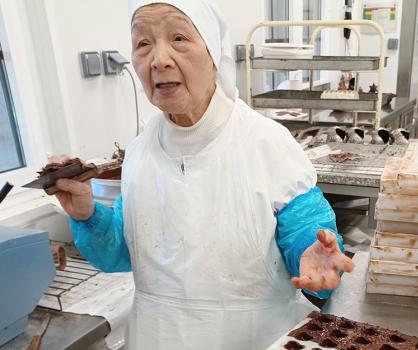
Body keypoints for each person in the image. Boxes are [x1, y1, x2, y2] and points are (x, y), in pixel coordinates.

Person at [52, 0, 354, 349]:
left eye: (179, 38)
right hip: (157, 336)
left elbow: (305, 228)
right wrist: (87, 215)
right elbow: (123, 251)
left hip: (255, 338)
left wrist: (312, 251)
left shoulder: (265, 141)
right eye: (142, 43)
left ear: (213, 54)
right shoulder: (140, 152)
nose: (159, 59)